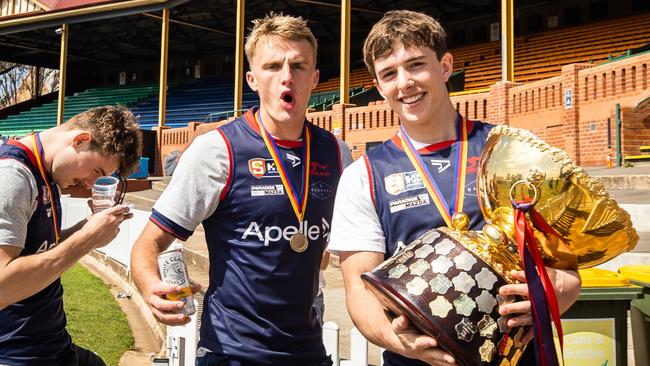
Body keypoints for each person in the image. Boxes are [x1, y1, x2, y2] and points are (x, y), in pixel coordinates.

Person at [327, 10, 582, 366]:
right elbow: (358, 287)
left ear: (445, 66)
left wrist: (561, 289)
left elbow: (567, 267)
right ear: (379, 86)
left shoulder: (510, 152)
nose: (404, 83)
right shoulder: (363, 175)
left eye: (416, 65)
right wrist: (397, 341)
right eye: (389, 74)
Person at [130, 13, 351, 366]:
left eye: (298, 66)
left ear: (315, 78)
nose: (286, 77)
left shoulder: (337, 152)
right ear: (252, 79)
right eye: (273, 66)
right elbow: (148, 243)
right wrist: (149, 285)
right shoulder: (216, 150)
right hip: (232, 352)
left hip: (307, 349)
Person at [0, 106, 142, 365]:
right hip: (16, 354)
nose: (89, 184)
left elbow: (39, 251)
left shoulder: (46, 173)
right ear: (80, 140)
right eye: (97, 172)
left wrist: (85, 228)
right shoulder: (13, 175)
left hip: (48, 345)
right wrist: (87, 239)